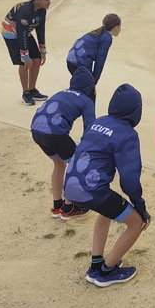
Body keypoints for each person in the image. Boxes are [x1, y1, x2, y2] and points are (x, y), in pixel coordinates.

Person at [63, 84, 152, 287]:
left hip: (70, 185)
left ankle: (96, 264)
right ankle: (106, 271)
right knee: (136, 223)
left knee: (106, 212)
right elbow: (129, 179)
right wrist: (140, 207)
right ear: (136, 111)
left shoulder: (99, 121)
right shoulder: (127, 134)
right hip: (92, 191)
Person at [30, 66, 96, 220]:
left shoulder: (60, 92)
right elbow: (89, 129)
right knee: (75, 166)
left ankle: (57, 205)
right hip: (56, 134)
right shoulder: (86, 100)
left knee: (59, 164)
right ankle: (69, 207)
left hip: (36, 130)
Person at [1, 0, 51, 106]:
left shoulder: (42, 10)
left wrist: (42, 49)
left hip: (24, 31)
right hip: (11, 32)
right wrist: (25, 55)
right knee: (24, 63)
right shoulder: (25, 12)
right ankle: (26, 92)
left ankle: (32, 89)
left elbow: (40, 29)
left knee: (37, 59)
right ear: (37, 0)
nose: (49, 2)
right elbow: (21, 33)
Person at [66, 13, 122, 103]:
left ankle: (71, 104)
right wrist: (94, 82)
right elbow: (100, 62)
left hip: (71, 61)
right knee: (90, 95)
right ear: (116, 27)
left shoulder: (98, 32)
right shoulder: (107, 38)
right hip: (80, 63)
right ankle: (86, 111)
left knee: (79, 88)